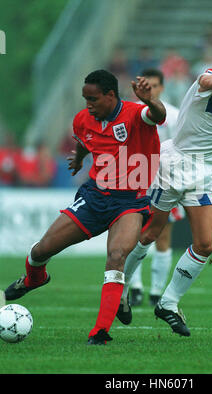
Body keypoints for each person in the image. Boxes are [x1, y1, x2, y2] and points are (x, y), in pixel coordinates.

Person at [117, 34, 212, 336]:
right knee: (151, 232)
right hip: (176, 164)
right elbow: (204, 79)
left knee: (205, 244)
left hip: (206, 172)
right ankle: (120, 289)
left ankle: (168, 303)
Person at [4, 69, 166, 346]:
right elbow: (84, 141)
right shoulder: (83, 119)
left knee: (116, 256)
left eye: (93, 99)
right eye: (85, 99)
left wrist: (150, 100)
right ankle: (34, 279)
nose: (88, 105)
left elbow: (158, 116)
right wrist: (79, 159)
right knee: (41, 250)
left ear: (110, 96)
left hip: (130, 202)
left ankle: (100, 332)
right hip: (94, 198)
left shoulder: (135, 114)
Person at [129, 68, 185, 307]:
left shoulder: (173, 115)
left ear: (161, 87)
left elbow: (181, 148)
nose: (149, 89)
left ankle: (156, 291)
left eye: (153, 85)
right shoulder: (132, 111)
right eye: (145, 85)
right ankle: (135, 288)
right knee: (133, 234)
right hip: (137, 180)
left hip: (165, 181)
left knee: (163, 236)